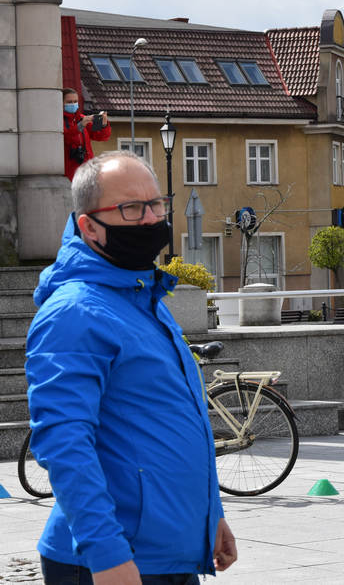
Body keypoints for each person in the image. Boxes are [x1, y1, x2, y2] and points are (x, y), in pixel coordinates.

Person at [25, 151, 237, 585]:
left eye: (157, 204)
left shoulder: (144, 299)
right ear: (89, 227)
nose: (151, 219)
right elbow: (64, 441)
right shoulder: (76, 312)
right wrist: (107, 557)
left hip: (167, 553)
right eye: (131, 208)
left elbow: (168, 420)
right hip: (111, 561)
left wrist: (210, 516)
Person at [62, 87, 110, 182]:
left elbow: (101, 136)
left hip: (87, 170)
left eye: (75, 101)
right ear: (61, 103)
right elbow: (67, 138)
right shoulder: (59, 120)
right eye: (69, 102)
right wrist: (80, 126)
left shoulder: (82, 118)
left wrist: (104, 124)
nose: (73, 104)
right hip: (69, 173)